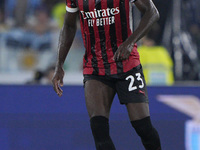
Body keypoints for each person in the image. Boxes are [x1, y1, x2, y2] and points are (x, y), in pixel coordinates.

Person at [52, 0, 161, 149]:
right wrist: (59, 64)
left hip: (126, 64)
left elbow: (152, 12)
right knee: (99, 131)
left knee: (143, 127)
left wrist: (130, 42)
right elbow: (69, 26)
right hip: (95, 67)